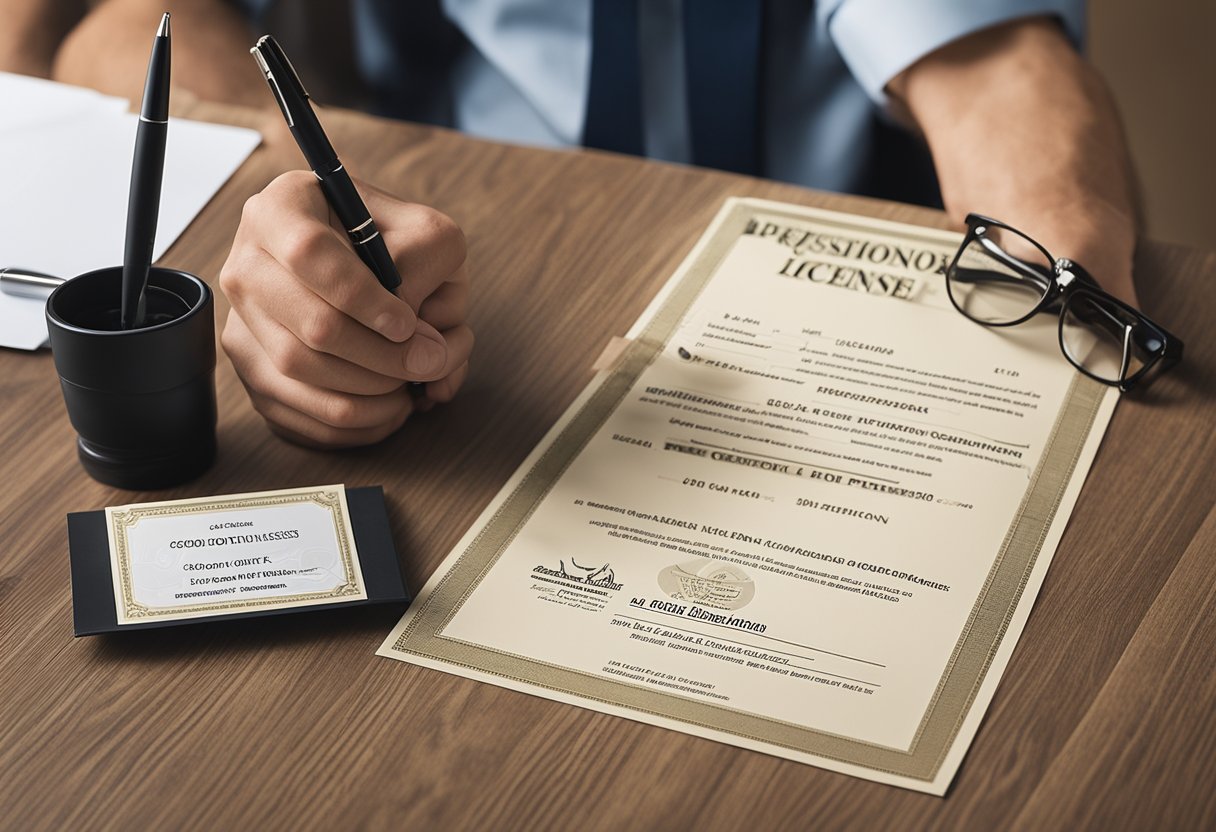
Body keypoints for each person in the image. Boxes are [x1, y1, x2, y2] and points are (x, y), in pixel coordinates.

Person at [5, 0, 1141, 448]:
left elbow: (993, 65)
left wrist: (1064, 278)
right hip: (471, 270)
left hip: (843, 296)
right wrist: (280, 257)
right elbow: (112, 21)